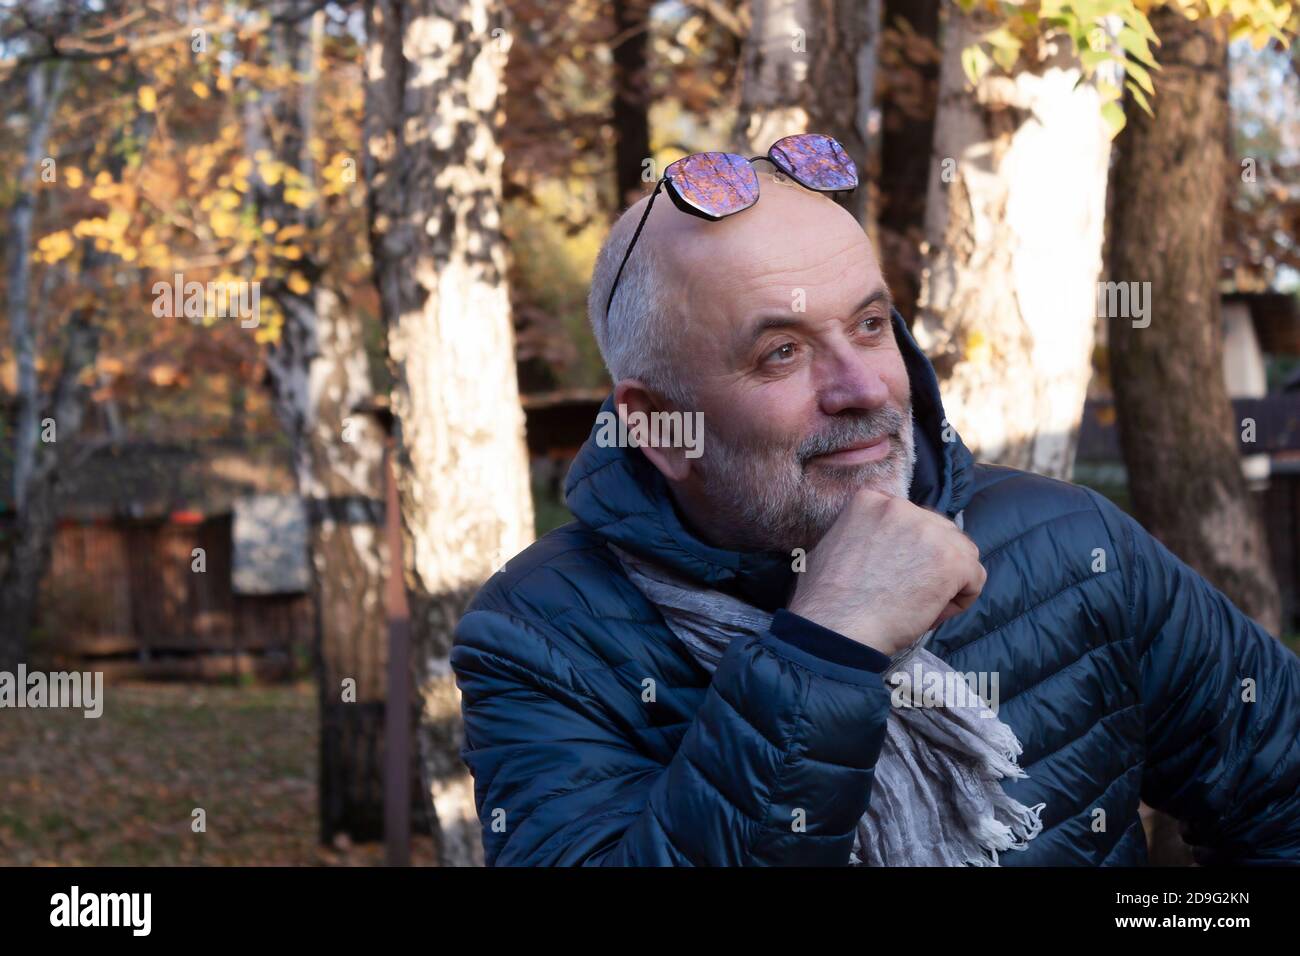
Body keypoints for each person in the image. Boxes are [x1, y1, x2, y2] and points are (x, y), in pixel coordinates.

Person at [449, 160, 1300, 866]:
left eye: (868, 325)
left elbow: (1284, 792)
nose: (862, 389)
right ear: (660, 427)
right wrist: (828, 647)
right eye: (780, 352)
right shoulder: (542, 637)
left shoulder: (1070, 544)